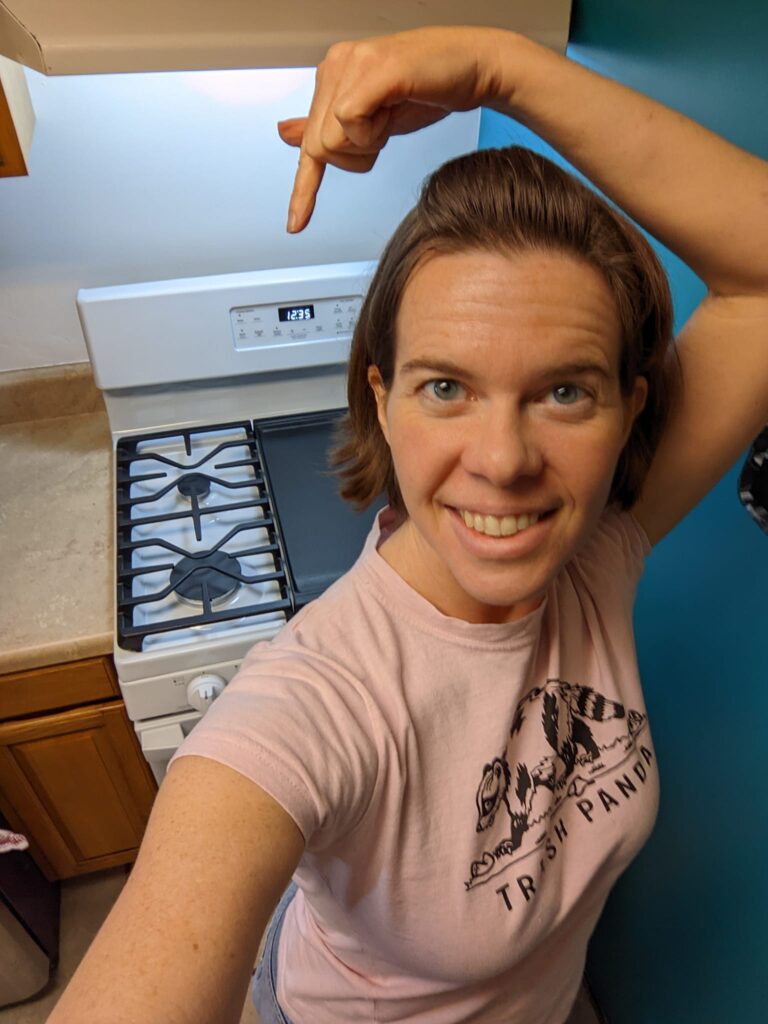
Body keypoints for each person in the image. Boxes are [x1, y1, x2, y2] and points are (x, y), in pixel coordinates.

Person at [47, 25, 768, 1024]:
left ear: (629, 410)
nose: (505, 459)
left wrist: (499, 69)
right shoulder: (316, 701)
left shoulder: (593, 556)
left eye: (564, 390)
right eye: (445, 387)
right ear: (381, 399)